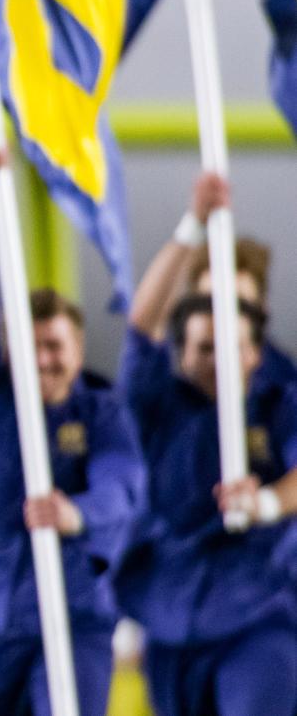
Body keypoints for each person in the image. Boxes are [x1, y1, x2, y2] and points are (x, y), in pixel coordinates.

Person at [0, 136, 145, 716]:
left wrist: (75, 512)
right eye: (29, 348)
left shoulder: (103, 411)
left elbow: (122, 482)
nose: (44, 360)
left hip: (74, 612)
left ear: (78, 347)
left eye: (54, 346)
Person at [115, 171, 297, 716]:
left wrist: (264, 502)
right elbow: (140, 326)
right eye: (205, 340)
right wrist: (192, 224)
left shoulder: (280, 394)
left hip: (257, 606)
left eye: (237, 324)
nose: (219, 348)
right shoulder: (159, 394)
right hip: (171, 617)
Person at [186, 235, 297, 396]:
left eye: (241, 307)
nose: (224, 318)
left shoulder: (284, 384)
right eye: (210, 304)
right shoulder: (165, 381)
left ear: (262, 309)